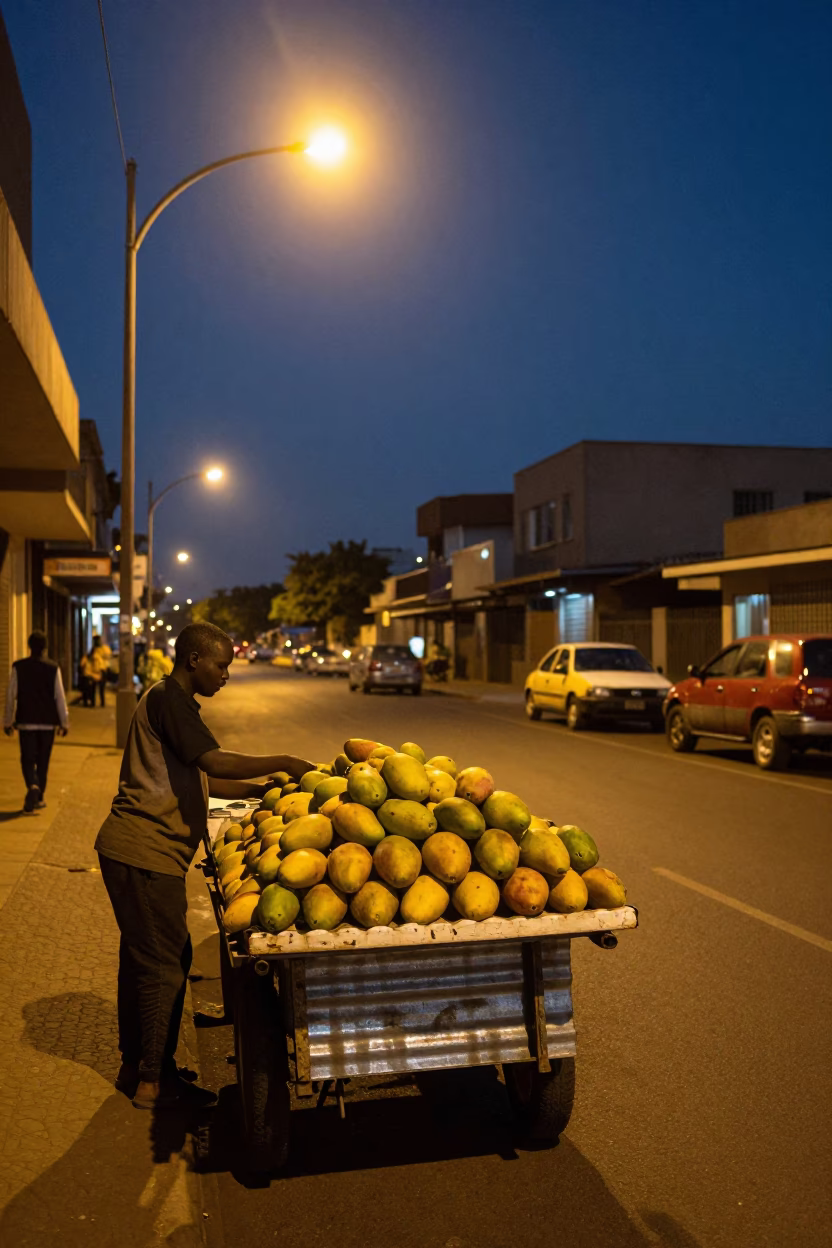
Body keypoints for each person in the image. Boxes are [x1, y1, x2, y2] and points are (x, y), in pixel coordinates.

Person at [95, 620, 315, 1111]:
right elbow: (213, 763)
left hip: (137, 853)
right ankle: (154, 1083)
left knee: (145, 959)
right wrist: (287, 761)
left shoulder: (171, 702)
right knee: (165, 966)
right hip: (144, 852)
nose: (225, 675)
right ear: (194, 660)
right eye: (221, 665)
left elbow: (198, 778)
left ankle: (136, 1067)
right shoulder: (171, 699)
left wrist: (262, 791)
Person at [3, 630, 69, 813]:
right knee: (43, 760)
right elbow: (60, 697)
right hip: (48, 723)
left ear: (29, 646)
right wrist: (65, 722)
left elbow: (11, 696)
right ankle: (39, 797)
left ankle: (32, 785)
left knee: (27, 759)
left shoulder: (19, 667)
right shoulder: (53, 668)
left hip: (26, 722)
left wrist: (7, 721)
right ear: (45, 648)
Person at [89, 635, 110, 706]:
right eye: (96, 641)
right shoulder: (93, 650)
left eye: (98, 640)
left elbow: (107, 655)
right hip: (94, 671)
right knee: (93, 687)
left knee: (101, 688)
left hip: (102, 670)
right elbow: (90, 659)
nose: (97, 642)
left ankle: (102, 703)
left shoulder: (104, 648)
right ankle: (93, 703)